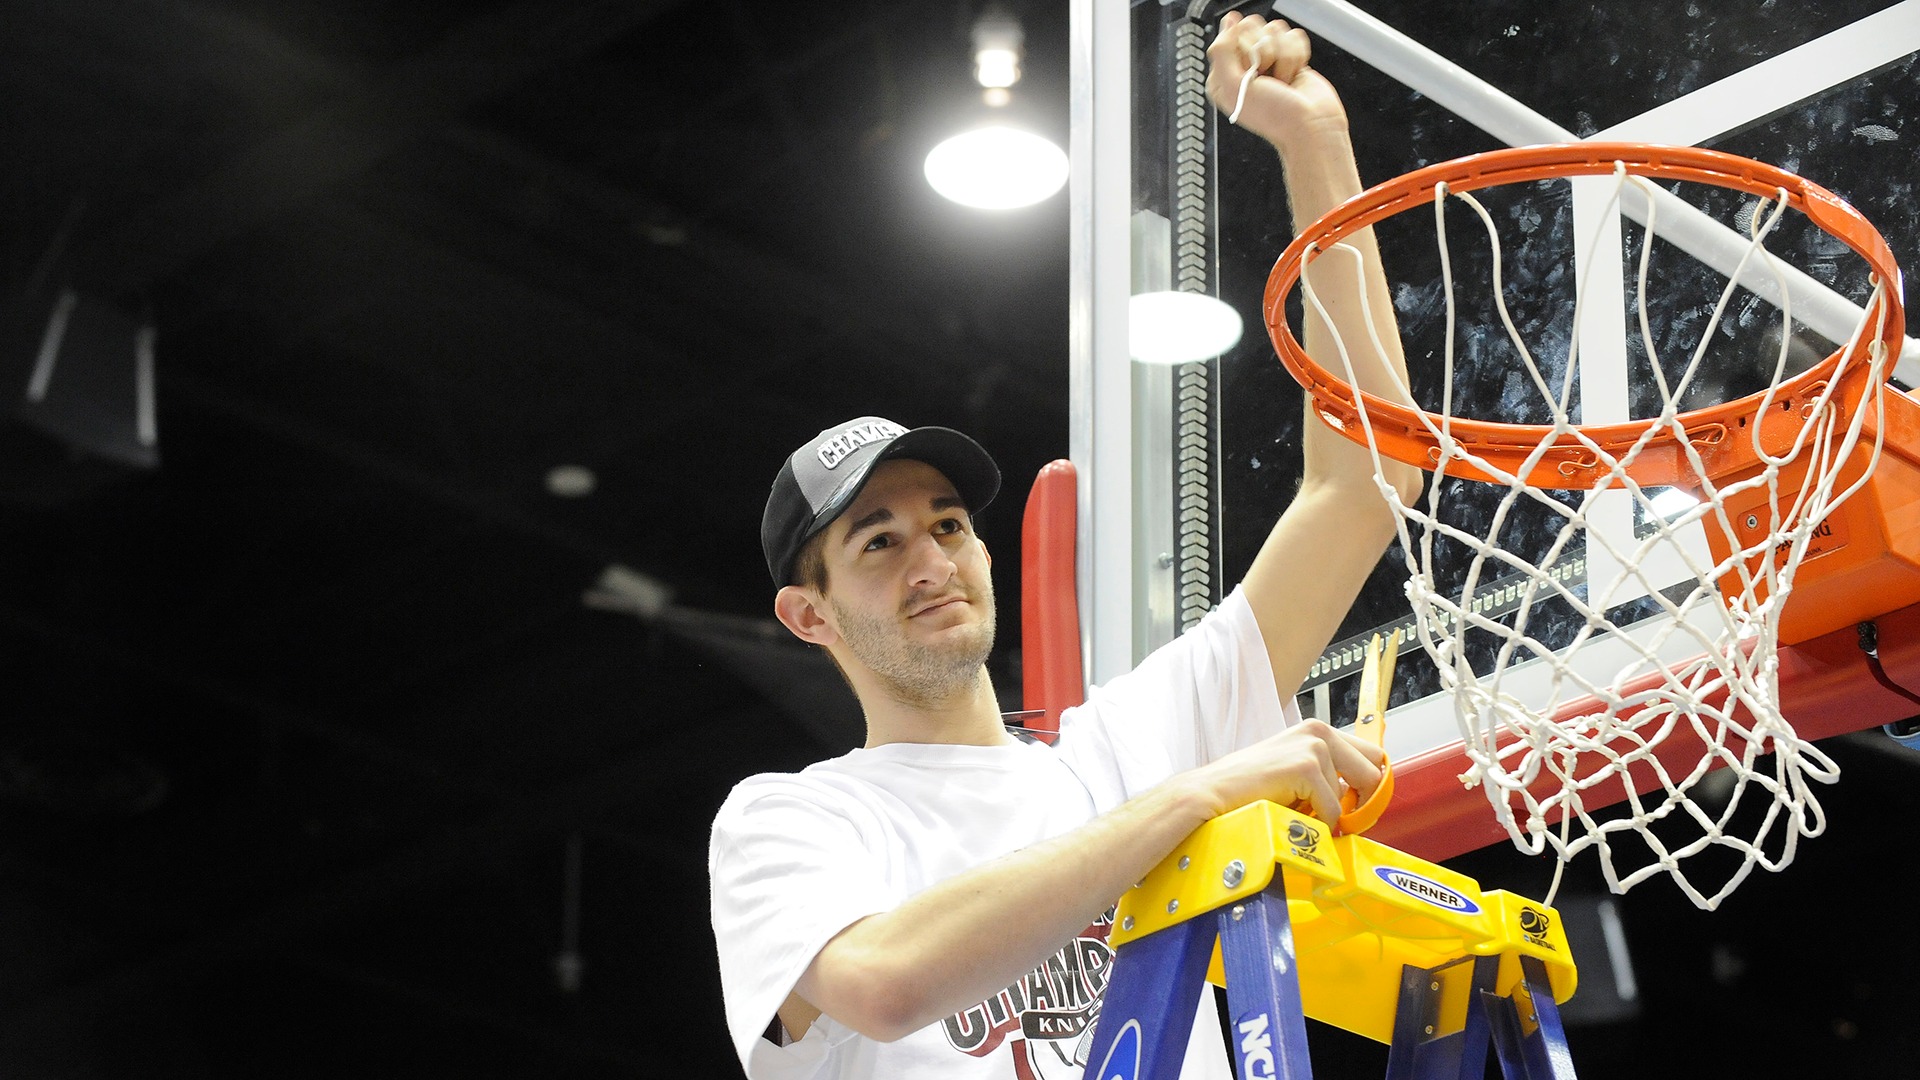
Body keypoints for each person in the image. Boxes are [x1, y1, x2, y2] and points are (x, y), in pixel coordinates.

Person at [708, 15, 1422, 1079]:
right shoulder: (793, 817)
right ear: (810, 617)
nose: (932, 559)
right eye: (878, 542)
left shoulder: (1125, 746)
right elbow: (886, 985)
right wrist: (1198, 795)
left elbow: (1367, 484)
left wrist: (1315, 145)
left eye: (949, 525)